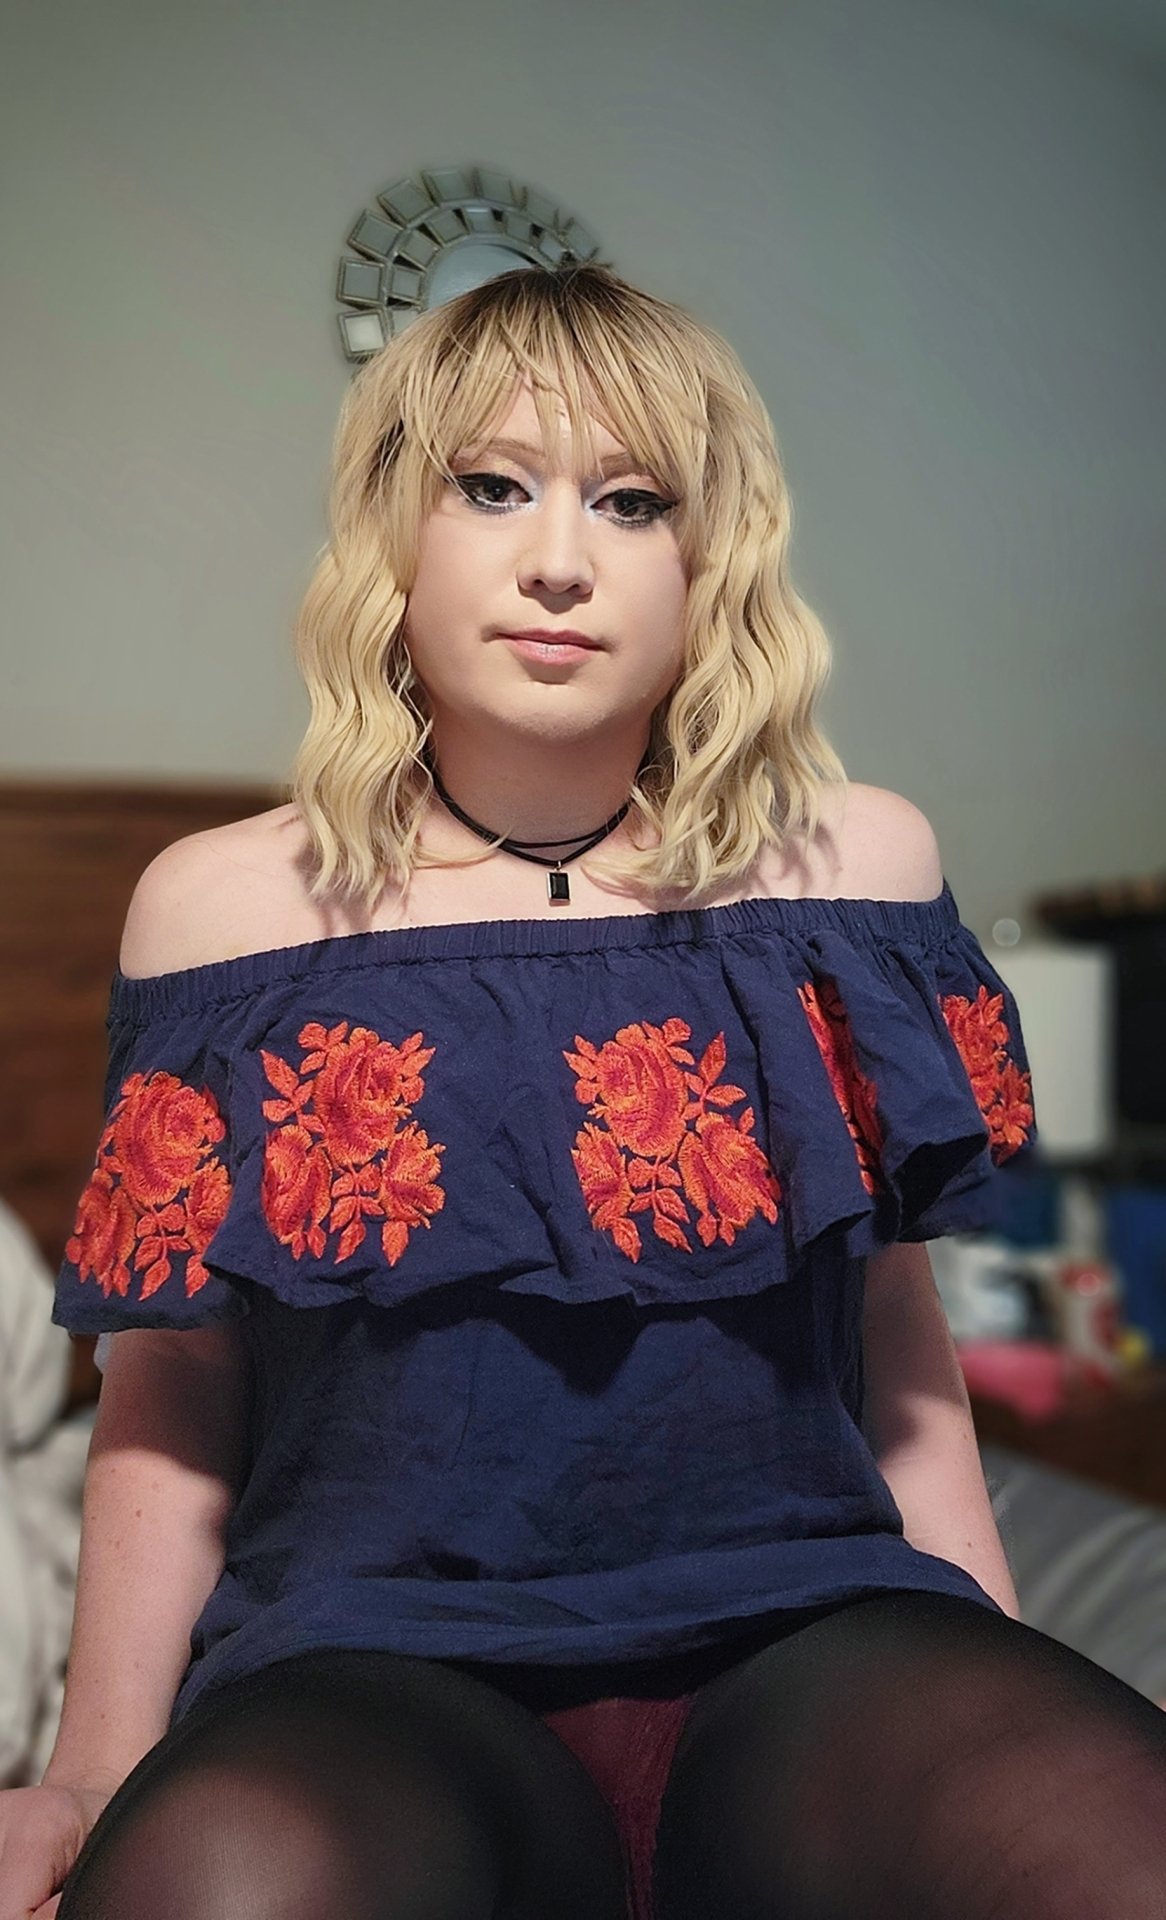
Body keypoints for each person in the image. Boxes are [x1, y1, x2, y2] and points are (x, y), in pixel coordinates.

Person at [4, 261, 1166, 1920]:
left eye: (632, 503)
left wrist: (984, 1659)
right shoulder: (223, 913)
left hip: (806, 1632)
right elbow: (176, 1376)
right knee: (215, 1886)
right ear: (394, 532)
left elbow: (891, 1321)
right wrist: (91, 1774)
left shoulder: (854, 876)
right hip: (372, 1671)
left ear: (709, 559)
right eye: (492, 487)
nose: (560, 558)